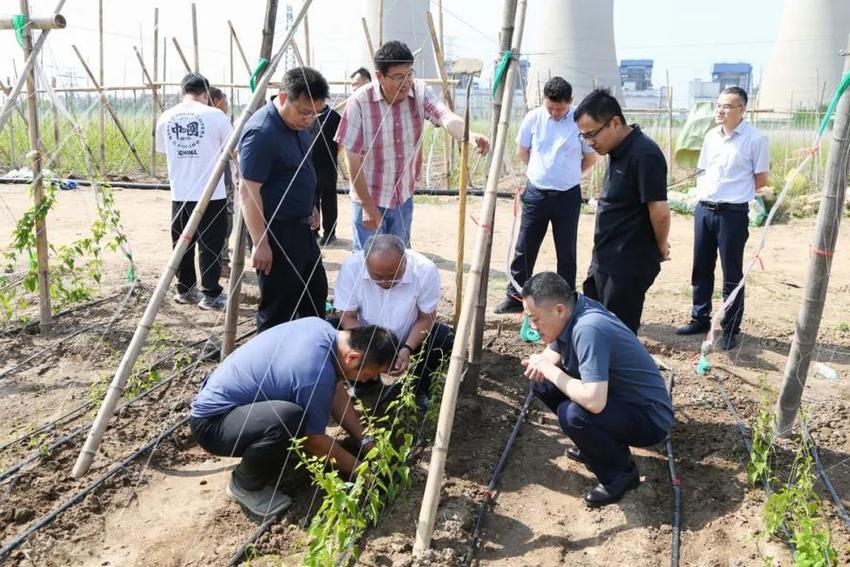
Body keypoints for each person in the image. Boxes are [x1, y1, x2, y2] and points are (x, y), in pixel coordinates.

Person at [190, 317, 397, 516]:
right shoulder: (314, 372)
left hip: (239, 407)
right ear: (352, 357)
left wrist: (366, 441)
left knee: (292, 419)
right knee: (289, 419)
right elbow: (312, 440)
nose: (364, 381)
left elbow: (335, 391)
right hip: (214, 424)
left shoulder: (321, 330)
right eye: (367, 375)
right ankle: (244, 486)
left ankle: (266, 449)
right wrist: (363, 473)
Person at [519, 272, 673, 507]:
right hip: (619, 401)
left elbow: (594, 402)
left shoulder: (589, 327)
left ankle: (620, 474)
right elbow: (554, 350)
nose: (532, 325)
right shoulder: (574, 309)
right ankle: (596, 447)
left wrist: (549, 370)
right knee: (542, 380)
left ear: (559, 309)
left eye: (535, 319)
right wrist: (542, 364)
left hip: (650, 418)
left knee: (574, 415)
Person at [334, 40, 490, 250]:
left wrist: (469, 135)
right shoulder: (360, 102)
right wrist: (368, 206)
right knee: (369, 266)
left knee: (399, 264)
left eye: (409, 74)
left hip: (402, 198)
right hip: (369, 197)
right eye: (398, 76)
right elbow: (352, 159)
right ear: (379, 75)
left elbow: (444, 116)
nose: (406, 82)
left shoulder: (420, 91)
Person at [675, 87, 769, 351]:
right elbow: (704, 170)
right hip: (705, 209)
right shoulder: (710, 137)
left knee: (732, 272)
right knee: (701, 266)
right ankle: (700, 317)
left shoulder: (755, 139)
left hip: (733, 213)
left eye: (727, 106)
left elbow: (761, 179)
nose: (720, 110)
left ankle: (730, 327)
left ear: (742, 110)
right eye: (719, 105)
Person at [495, 77, 597, 314]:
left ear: (570, 102)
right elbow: (523, 151)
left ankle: (566, 299)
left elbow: (590, 157)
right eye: (549, 107)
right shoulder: (534, 117)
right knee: (525, 246)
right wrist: (542, 173)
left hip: (567, 196)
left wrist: (568, 175)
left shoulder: (579, 122)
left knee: (566, 250)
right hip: (536, 193)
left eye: (559, 108)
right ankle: (515, 295)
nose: (553, 112)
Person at [238, 66, 328, 333]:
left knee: (315, 295)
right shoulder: (262, 133)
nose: (309, 118)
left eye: (315, 112)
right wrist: (261, 242)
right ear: (282, 97)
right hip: (276, 232)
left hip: (302, 230)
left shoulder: (299, 127)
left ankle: (306, 362)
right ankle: (268, 370)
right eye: (304, 111)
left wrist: (312, 207)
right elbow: (248, 191)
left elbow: (301, 171)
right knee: (279, 309)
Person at [574, 88, 671, 333]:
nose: (589, 142)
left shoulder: (644, 153)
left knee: (616, 333)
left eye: (592, 134)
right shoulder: (617, 151)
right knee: (594, 325)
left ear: (615, 122)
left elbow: (659, 211)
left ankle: (617, 373)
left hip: (626, 264)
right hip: (605, 258)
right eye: (584, 136)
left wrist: (660, 245)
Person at [333, 234, 451, 408]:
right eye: (378, 276)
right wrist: (377, 349)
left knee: (445, 337)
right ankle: (364, 383)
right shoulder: (352, 268)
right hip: (368, 340)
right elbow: (347, 317)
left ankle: (418, 388)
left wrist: (406, 350)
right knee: (332, 329)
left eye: (393, 275)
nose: (386, 281)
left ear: (405, 261)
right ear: (366, 263)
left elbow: (426, 318)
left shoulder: (424, 270)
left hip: (410, 336)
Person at [155, 73, 232, 311]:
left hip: (180, 192)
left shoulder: (166, 117)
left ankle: (185, 289)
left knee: (182, 242)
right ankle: (210, 294)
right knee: (210, 243)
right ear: (206, 93)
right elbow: (232, 149)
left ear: (182, 91)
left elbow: (163, 150)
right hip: (212, 193)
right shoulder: (216, 115)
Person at [208, 86, 237, 272]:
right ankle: (222, 260)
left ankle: (218, 260)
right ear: (217, 100)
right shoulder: (219, 120)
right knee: (223, 221)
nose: (227, 104)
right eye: (225, 100)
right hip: (221, 181)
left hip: (206, 182)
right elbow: (233, 151)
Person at [310, 103, 342, 246]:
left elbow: (341, 143)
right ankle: (313, 229)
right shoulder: (306, 115)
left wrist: (333, 156)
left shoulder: (334, 117)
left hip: (327, 165)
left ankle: (330, 232)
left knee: (328, 198)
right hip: (309, 165)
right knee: (311, 197)